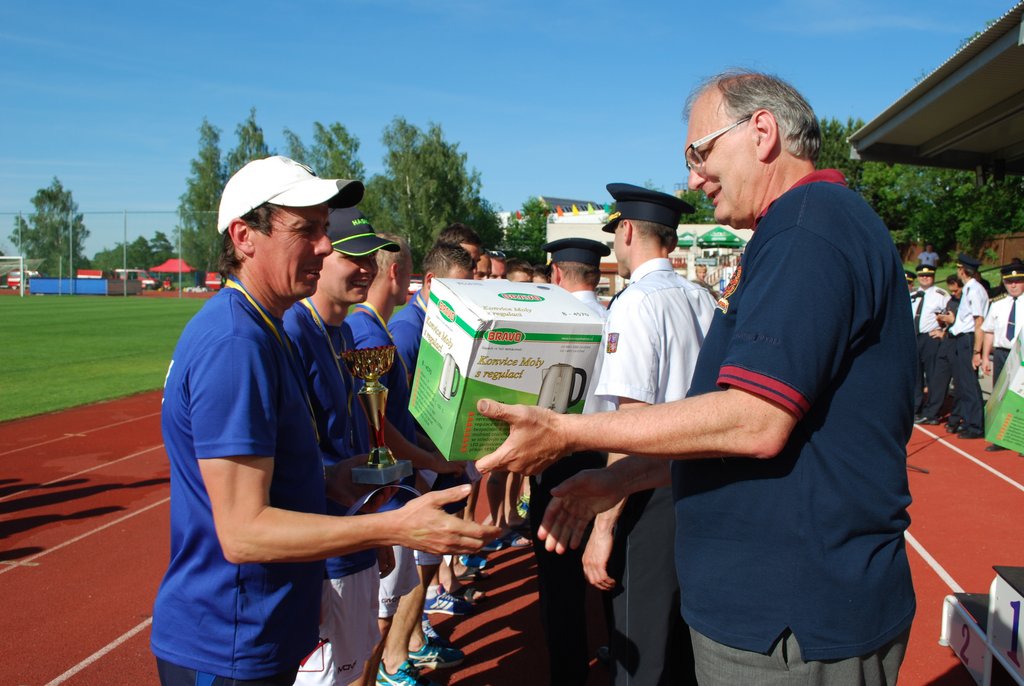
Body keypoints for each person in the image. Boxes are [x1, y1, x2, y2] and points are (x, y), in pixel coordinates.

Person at [474, 70, 917, 685]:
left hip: (790, 616)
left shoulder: (806, 227)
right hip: (780, 607)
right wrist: (624, 477)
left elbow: (756, 420)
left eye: (699, 153)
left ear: (762, 131)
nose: (692, 178)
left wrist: (565, 431)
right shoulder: (803, 225)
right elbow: (737, 425)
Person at [152, 155, 497, 685]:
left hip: (255, 626)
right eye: (306, 230)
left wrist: (332, 479)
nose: (323, 246)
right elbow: (243, 532)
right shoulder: (237, 342)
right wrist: (391, 526)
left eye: (324, 230)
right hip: (230, 638)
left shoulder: (262, 329)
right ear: (244, 237)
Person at [589, 187, 716, 686]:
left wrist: (603, 526)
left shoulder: (635, 302)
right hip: (699, 482)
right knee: (684, 646)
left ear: (626, 230)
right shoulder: (701, 297)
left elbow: (631, 426)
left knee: (640, 651)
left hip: (647, 490)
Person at [343, 230, 467, 686]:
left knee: (380, 618)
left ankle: (394, 663)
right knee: (372, 627)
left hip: (396, 488)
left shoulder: (376, 328)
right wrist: (433, 460)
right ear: (396, 273)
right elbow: (382, 429)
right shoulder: (372, 331)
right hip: (384, 494)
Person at [282, 207, 400, 686]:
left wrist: (376, 530)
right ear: (324, 255)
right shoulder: (294, 330)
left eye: (371, 258)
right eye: (354, 257)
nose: (366, 268)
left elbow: (355, 436)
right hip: (324, 551)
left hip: (354, 536)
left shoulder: (346, 332)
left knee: (356, 666)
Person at [528, 237, 612, 685]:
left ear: (556, 273)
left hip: (560, 460)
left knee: (560, 587)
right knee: (613, 575)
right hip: (617, 459)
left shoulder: (550, 322)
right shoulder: (616, 317)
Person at [980, 260, 1024, 451]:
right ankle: (1000, 437)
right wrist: (984, 357)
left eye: (1018, 281)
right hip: (1001, 353)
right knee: (1000, 395)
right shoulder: (998, 304)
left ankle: (1020, 440)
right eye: (1009, 282)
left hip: (1021, 354)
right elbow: (989, 331)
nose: (1013, 285)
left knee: (1020, 396)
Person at [947, 252, 989, 439]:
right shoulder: (968, 289)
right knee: (962, 383)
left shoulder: (975, 290)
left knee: (969, 384)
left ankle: (975, 426)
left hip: (968, 339)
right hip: (961, 338)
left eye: (958, 268)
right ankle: (968, 419)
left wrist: (976, 351)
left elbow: (979, 321)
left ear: (962, 270)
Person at [910, 264, 950, 422]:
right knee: (915, 375)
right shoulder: (913, 295)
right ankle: (916, 407)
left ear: (933, 276)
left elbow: (952, 315)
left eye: (928, 275)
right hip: (914, 338)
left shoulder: (941, 295)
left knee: (933, 375)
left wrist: (943, 332)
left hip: (930, 338)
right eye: (921, 275)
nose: (924, 278)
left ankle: (932, 410)